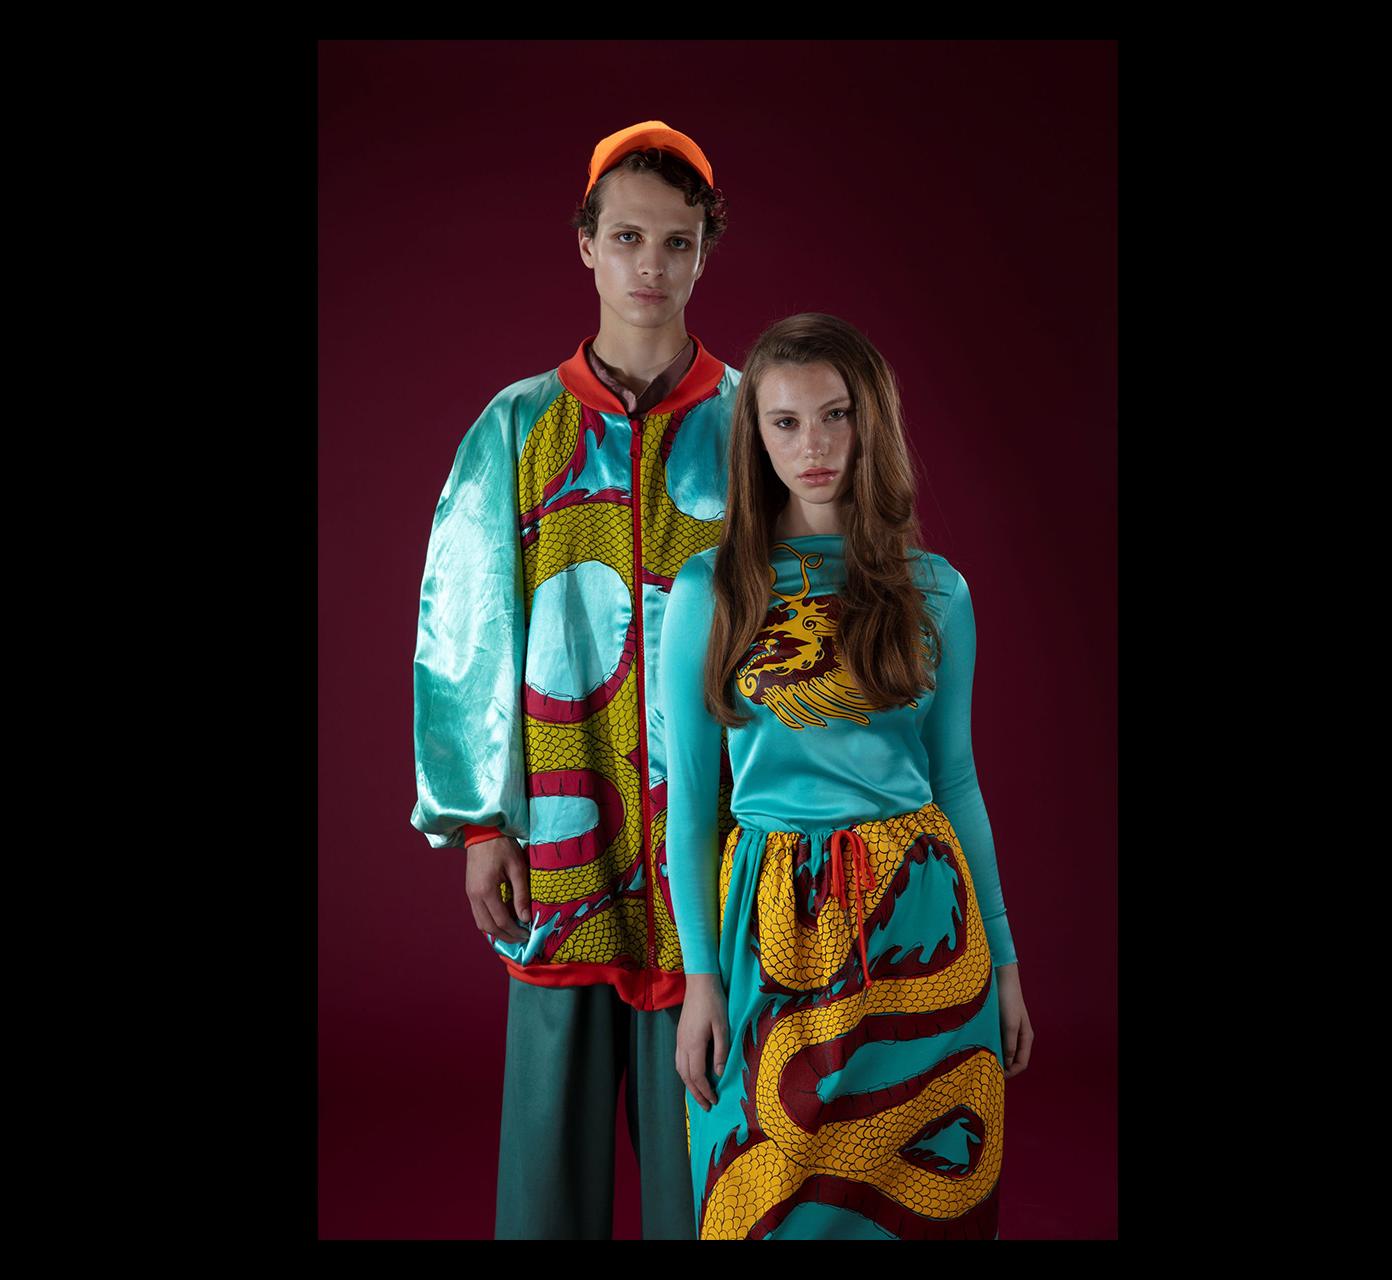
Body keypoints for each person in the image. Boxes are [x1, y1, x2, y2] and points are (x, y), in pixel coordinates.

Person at [410, 121, 740, 1239]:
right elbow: (466, 630)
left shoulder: (752, 423)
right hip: (563, 820)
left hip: (715, 832)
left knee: (709, 1139)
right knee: (549, 1155)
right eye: (630, 237)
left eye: (678, 242)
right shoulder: (518, 429)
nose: (653, 267)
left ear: (706, 253)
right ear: (586, 245)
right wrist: (477, 821)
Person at [658, 313, 1036, 1240]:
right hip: (771, 921)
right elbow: (692, 809)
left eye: (835, 415)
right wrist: (699, 980)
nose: (814, 446)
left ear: (872, 421)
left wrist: (1007, 958)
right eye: (784, 423)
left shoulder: (937, 591)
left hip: (925, 925)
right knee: (766, 1192)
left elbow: (958, 782)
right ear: (755, 437)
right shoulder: (711, 591)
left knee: (922, 1202)